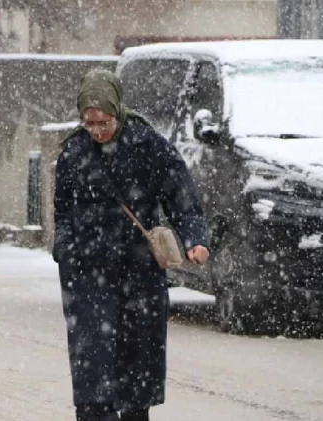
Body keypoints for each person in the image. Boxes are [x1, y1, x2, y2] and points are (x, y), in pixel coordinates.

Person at [53, 69, 210, 421]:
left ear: (117, 110)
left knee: (135, 379)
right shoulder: (74, 153)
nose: (96, 130)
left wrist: (195, 239)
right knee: (94, 381)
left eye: (103, 122)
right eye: (89, 122)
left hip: (138, 274)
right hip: (87, 275)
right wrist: (63, 248)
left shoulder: (149, 145)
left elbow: (182, 197)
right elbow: (62, 208)